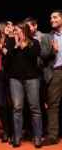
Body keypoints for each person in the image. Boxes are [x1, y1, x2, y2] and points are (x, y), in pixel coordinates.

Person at [6, 22, 43, 148]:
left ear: (25, 31)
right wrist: (15, 45)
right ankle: (17, 137)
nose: (16, 32)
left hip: (31, 79)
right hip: (15, 79)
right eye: (15, 30)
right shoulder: (11, 42)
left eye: (18, 30)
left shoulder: (34, 42)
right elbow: (8, 59)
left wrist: (22, 44)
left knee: (35, 108)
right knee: (17, 108)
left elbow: (33, 56)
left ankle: (37, 137)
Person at [41, 10, 62, 146]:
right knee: (53, 105)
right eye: (50, 18)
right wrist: (52, 51)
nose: (51, 19)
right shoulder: (47, 37)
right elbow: (42, 56)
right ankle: (53, 136)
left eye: (55, 17)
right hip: (56, 72)